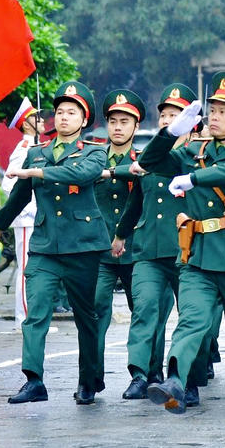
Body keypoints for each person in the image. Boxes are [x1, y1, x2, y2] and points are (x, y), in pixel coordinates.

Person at [141, 72, 225, 448]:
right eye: (211, 110)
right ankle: (175, 381)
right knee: (192, 320)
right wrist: (170, 132)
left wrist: (195, 178)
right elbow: (151, 162)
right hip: (198, 256)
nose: (214, 117)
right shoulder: (193, 149)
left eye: (224, 111)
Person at [0, 81, 109, 406]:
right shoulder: (36, 152)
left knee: (86, 316)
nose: (64, 117)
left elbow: (78, 175)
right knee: (36, 311)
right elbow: (19, 195)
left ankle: (89, 379)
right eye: (60, 112)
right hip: (45, 245)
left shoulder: (94, 151)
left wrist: (36, 172)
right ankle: (34, 380)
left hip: (83, 245)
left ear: (84, 120)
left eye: (72, 112)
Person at [113, 83, 198, 399]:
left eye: (175, 115)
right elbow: (137, 202)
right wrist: (121, 235)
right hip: (148, 248)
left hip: (186, 249)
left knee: (190, 315)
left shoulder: (196, 157)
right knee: (145, 309)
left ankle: (187, 378)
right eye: (164, 115)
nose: (168, 120)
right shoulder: (150, 158)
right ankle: (139, 374)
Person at [94, 89, 144, 389]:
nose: (117, 127)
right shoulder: (91, 157)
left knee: (143, 313)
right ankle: (91, 378)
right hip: (100, 251)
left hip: (137, 251)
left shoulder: (144, 159)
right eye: (113, 120)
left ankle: (142, 375)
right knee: (94, 311)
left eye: (125, 121)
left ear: (136, 127)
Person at [2, 97, 41, 329]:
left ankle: (31, 318)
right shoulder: (25, 148)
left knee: (34, 269)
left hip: (34, 218)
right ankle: (23, 319)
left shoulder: (35, 146)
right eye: (37, 118)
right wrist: (28, 209)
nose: (43, 121)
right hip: (27, 219)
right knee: (26, 269)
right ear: (27, 124)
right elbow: (9, 182)